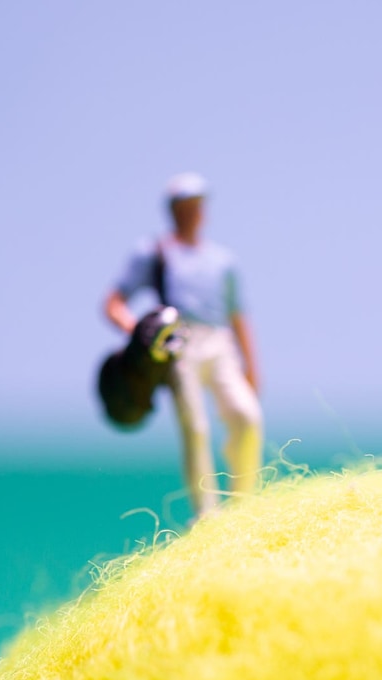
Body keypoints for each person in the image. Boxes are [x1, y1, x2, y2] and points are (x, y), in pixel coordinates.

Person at [105, 174, 263, 519]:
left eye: (195, 205)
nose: (190, 213)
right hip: (179, 345)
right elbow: (114, 303)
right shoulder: (153, 252)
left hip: (220, 344)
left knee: (247, 416)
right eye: (182, 206)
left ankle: (243, 506)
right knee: (195, 428)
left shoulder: (223, 261)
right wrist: (141, 333)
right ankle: (205, 513)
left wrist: (251, 366)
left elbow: (238, 316)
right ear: (171, 211)